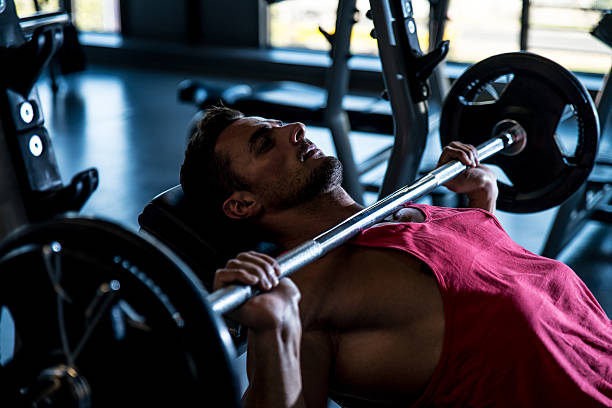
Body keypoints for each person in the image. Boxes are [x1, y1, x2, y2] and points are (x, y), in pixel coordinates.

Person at [180, 106, 612, 408]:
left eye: (277, 125)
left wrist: (482, 210)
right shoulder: (301, 293)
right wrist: (274, 329)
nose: (294, 127)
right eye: (264, 144)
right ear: (241, 204)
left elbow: (489, 308)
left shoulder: (414, 211)